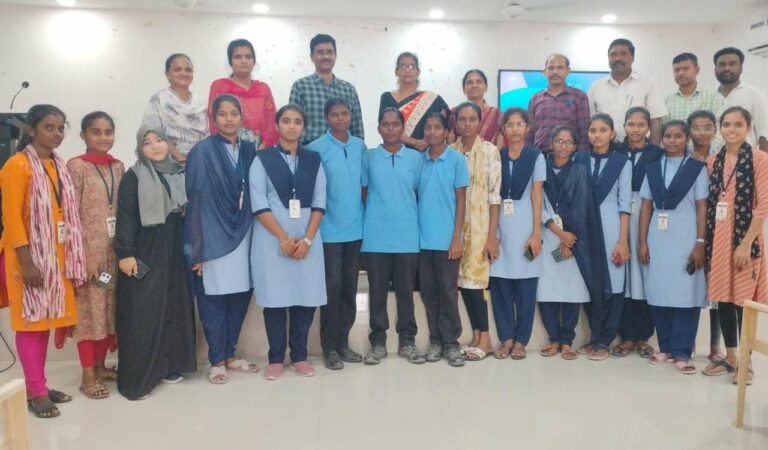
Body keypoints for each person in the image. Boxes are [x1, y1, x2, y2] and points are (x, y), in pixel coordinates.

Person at [0, 104, 86, 418]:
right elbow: (11, 219)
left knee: (45, 323)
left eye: (61, 128)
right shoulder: (17, 165)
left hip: (55, 257)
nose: (57, 133)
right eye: (49, 127)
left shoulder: (58, 164)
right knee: (32, 324)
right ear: (31, 129)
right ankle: (36, 393)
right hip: (27, 259)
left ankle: (37, 385)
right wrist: (27, 263)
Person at [115, 126, 197, 400]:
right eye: (148, 143)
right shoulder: (134, 176)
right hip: (146, 249)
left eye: (159, 140)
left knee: (173, 304)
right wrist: (125, 253)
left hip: (175, 249)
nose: (155, 146)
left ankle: (168, 365)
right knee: (144, 311)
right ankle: (139, 378)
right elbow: (125, 216)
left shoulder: (178, 173)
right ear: (140, 148)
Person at [184, 95, 259, 384]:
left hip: (244, 232)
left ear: (241, 117)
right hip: (212, 234)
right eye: (223, 114)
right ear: (213, 119)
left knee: (240, 294)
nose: (229, 119)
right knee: (213, 297)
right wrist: (196, 248)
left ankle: (230, 354)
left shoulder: (250, 149)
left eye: (234, 113)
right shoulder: (202, 151)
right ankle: (216, 360)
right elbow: (195, 200)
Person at [250, 105, 327, 381]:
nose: (291, 126)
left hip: (308, 240)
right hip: (272, 241)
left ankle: (300, 356)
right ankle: (275, 358)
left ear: (303, 127)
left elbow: (319, 202)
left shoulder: (313, 160)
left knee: (305, 299)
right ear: (277, 125)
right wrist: (283, 238)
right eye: (286, 121)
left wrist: (306, 239)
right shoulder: (262, 159)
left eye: (297, 122)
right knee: (275, 300)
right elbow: (258, 203)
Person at [703, 107, 768, 384]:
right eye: (727, 124)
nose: (731, 129)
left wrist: (745, 244)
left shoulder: (760, 160)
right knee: (724, 299)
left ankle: (747, 362)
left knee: (744, 301)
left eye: (738, 124)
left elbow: (763, 205)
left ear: (748, 127)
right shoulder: (713, 161)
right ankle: (731, 358)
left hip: (745, 240)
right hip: (718, 238)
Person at [638, 120, 708, 374]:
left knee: (685, 295)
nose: (671, 140)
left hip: (686, 238)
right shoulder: (653, 168)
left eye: (678, 136)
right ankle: (665, 347)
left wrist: (700, 243)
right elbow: (646, 206)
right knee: (660, 293)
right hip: (658, 239)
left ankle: (682, 351)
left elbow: (702, 207)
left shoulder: (697, 169)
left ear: (686, 138)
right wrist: (642, 242)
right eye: (668, 136)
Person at [537, 125, 609, 360]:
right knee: (546, 289)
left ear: (575, 146)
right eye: (559, 141)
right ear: (551, 143)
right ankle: (554, 339)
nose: (563, 145)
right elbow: (537, 201)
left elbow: (582, 206)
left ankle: (567, 339)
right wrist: (557, 232)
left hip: (573, 240)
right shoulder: (541, 166)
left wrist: (569, 240)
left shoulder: (579, 170)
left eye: (568, 142)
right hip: (547, 234)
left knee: (571, 290)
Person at [66, 111, 125, 399]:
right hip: (88, 256)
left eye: (108, 132)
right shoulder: (76, 167)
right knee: (89, 314)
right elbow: (69, 215)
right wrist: (84, 256)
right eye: (96, 132)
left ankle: (101, 366)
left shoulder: (118, 167)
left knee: (108, 312)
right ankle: (87, 374)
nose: (103, 137)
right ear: (83, 135)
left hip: (114, 254)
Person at [306, 98, 366, 370]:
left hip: (355, 230)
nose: (340, 118)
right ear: (326, 118)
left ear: (351, 116)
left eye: (344, 114)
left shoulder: (359, 146)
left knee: (349, 289)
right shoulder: (315, 149)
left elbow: (363, 187)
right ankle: (329, 347)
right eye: (334, 114)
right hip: (328, 231)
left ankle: (343, 342)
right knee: (331, 288)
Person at [361, 107, 424, 365]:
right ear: (378, 128)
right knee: (377, 293)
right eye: (385, 124)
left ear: (402, 127)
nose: (390, 129)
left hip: (407, 237)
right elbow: (364, 192)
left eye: (395, 124)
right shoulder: (369, 157)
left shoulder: (416, 159)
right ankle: (378, 343)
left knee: (405, 293)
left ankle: (407, 342)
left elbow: (418, 193)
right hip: (376, 237)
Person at [489, 107, 545, 360]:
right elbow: (492, 195)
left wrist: (536, 233)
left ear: (528, 127)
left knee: (525, 288)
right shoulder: (496, 156)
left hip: (525, 223)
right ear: (503, 128)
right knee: (500, 286)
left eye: (519, 124)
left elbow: (537, 196)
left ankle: (521, 340)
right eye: (509, 125)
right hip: (500, 222)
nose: (514, 129)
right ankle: (507, 339)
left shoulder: (536, 157)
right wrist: (491, 234)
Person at [574, 113, 632, 361]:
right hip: (584, 227)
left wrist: (622, 240)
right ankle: (594, 336)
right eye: (593, 130)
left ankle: (605, 340)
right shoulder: (579, 158)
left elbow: (624, 203)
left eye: (603, 130)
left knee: (614, 284)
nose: (597, 135)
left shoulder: (622, 162)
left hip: (611, 227)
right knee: (590, 282)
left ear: (613, 134)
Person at [418, 112, 469, 367]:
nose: (432, 132)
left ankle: (451, 343)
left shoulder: (457, 160)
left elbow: (461, 200)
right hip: (422, 241)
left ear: (447, 132)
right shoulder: (419, 161)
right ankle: (436, 341)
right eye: (428, 128)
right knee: (429, 294)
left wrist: (456, 237)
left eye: (437, 127)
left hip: (448, 240)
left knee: (448, 292)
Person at [453, 102, 501, 361]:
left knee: (477, 283)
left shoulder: (490, 151)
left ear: (480, 122)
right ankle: (475, 336)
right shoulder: (452, 151)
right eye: (462, 119)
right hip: (457, 228)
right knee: (464, 283)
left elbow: (494, 196)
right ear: (456, 122)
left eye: (473, 119)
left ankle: (486, 339)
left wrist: (492, 237)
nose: (467, 124)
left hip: (481, 228)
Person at [613, 107, 663, 359]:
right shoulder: (616, 151)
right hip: (619, 216)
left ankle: (643, 336)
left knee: (644, 276)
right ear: (624, 126)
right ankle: (626, 336)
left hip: (647, 216)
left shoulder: (657, 154)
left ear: (648, 128)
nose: (635, 129)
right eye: (631, 124)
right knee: (623, 277)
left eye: (641, 125)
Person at [686, 109, 724, 363]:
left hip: (719, 226)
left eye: (707, 127)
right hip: (690, 225)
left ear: (715, 129)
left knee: (716, 287)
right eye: (696, 127)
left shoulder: (722, 154)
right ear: (689, 130)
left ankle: (714, 346)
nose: (701, 132)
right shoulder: (682, 154)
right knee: (690, 283)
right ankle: (687, 343)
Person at [587, 38, 667, 145]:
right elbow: (590, 121)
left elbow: (655, 121)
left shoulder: (648, 84)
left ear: (633, 58)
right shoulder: (596, 87)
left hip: (639, 148)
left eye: (623, 54)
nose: (617, 58)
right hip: (605, 149)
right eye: (613, 54)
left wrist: (653, 151)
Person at [290, 34, 364, 144]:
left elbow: (357, 129)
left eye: (329, 52)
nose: (325, 56)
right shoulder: (301, 87)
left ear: (335, 56)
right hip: (309, 150)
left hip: (342, 151)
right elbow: (292, 125)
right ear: (312, 57)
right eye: (320, 52)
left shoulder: (349, 90)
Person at [208, 39, 278, 147]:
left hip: (260, 148)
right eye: (238, 57)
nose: (244, 61)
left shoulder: (263, 89)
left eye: (248, 57)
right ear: (230, 62)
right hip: (227, 146)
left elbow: (271, 122)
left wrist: (265, 145)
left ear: (254, 61)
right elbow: (213, 120)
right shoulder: (220, 87)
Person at [141, 53, 209, 164]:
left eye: (188, 70)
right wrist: (180, 158)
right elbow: (151, 133)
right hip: (170, 163)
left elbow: (209, 134)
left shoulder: (201, 102)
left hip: (202, 160)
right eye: (177, 70)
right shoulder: (159, 100)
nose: (184, 73)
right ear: (167, 74)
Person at [378, 52, 450, 151]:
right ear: (396, 71)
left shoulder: (432, 99)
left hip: (425, 154)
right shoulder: (387, 97)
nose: (407, 70)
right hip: (394, 153)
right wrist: (416, 143)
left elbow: (448, 126)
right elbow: (385, 128)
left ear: (418, 72)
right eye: (403, 66)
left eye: (412, 66)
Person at [526, 54, 591, 151]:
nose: (555, 72)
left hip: (570, 156)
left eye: (560, 68)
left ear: (568, 71)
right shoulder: (535, 98)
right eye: (551, 68)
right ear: (545, 72)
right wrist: (529, 155)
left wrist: (581, 157)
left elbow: (584, 132)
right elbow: (529, 133)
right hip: (540, 155)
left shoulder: (579, 96)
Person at [713, 47, 768, 151]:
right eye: (722, 64)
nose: (727, 68)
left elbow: (764, 133)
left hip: (746, 158)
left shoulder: (754, 94)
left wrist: (763, 160)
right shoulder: (710, 96)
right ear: (715, 70)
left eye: (732, 64)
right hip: (715, 158)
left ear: (741, 68)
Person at [448, 69, 503, 147]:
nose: (474, 86)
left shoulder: (496, 114)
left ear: (486, 87)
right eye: (469, 82)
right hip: (459, 154)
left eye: (479, 82)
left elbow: (501, 142)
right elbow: (450, 141)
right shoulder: (454, 112)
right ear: (464, 89)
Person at [664, 53, 723, 124]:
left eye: (685, 69)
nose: (680, 73)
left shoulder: (713, 98)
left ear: (697, 70)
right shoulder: (666, 102)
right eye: (676, 70)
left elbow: (719, 126)